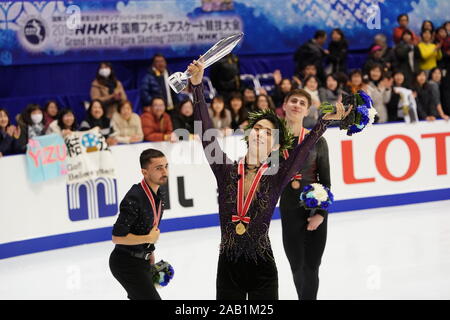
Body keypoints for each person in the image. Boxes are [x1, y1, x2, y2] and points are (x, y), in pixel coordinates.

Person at [188, 58, 349, 300]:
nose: (261, 133)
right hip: (227, 268)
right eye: (257, 128)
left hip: (262, 269)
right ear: (248, 134)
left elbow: (303, 150)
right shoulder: (225, 170)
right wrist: (198, 86)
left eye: (268, 132)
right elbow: (205, 133)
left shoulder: (276, 176)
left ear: (275, 143)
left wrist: (324, 123)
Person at [279, 87, 331, 300]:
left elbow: (326, 182)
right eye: (293, 101)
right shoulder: (273, 142)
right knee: (296, 266)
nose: (297, 105)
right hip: (289, 211)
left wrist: (321, 214)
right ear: (284, 105)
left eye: (302, 103)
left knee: (311, 267)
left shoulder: (317, 141)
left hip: (313, 211)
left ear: (308, 111)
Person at [109, 148, 168, 300]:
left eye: (166, 166)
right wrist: (148, 239)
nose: (164, 171)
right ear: (144, 172)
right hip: (125, 263)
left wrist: (150, 251)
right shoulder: (134, 198)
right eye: (158, 168)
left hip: (143, 261)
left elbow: (148, 227)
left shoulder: (159, 194)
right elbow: (117, 237)